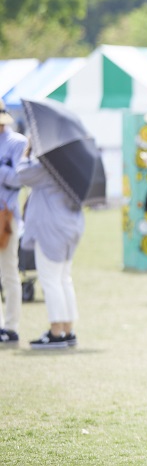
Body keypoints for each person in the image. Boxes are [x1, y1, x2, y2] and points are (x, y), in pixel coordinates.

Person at [17, 138, 85, 349]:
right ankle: (67, 330)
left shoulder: (47, 165)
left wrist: (27, 152)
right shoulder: (72, 164)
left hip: (51, 229)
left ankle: (56, 332)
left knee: (51, 280)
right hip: (70, 226)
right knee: (63, 278)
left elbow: (21, 174)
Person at [0, 99, 28, 346]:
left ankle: (11, 327)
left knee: (9, 272)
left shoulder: (17, 143)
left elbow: (21, 178)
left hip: (6, 216)